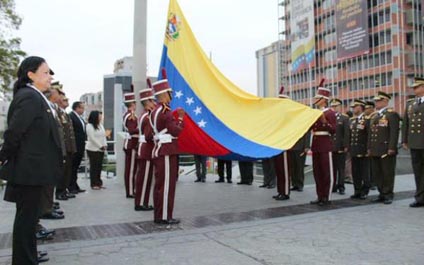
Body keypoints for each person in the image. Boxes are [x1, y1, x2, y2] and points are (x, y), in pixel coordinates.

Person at [0, 56, 62, 264]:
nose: (49, 77)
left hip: (35, 169)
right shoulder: (29, 97)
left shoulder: (36, 97)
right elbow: (14, 132)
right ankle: (24, 260)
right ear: (31, 75)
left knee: (29, 217)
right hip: (29, 170)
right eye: (45, 73)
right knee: (26, 218)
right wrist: (2, 157)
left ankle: (28, 255)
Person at [150, 70, 185, 225]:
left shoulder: (154, 111)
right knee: (166, 186)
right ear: (164, 95)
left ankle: (159, 215)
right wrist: (181, 119)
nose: (171, 96)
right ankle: (164, 216)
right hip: (166, 150)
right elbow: (175, 131)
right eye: (169, 93)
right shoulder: (166, 111)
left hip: (159, 148)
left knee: (159, 184)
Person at [368, 91, 400, 205]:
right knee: (377, 173)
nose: (376, 103)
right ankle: (381, 193)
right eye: (376, 101)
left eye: (379, 101)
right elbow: (371, 133)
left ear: (386, 101)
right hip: (375, 148)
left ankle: (388, 194)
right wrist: (369, 148)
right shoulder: (375, 115)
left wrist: (392, 147)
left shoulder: (391, 114)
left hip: (386, 148)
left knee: (387, 173)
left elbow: (394, 132)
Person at [310, 80, 337, 206]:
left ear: (323, 99)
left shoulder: (330, 113)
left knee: (327, 172)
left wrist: (325, 121)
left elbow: (333, 130)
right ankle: (319, 195)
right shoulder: (315, 112)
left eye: (317, 98)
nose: (315, 100)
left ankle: (327, 196)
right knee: (317, 172)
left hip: (325, 144)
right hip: (316, 145)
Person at [402, 77, 424, 208]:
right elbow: (406, 123)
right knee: (418, 171)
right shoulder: (410, 103)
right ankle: (420, 197)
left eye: (417, 87)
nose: (414, 89)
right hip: (415, 142)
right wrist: (404, 139)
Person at [134, 85, 156, 211]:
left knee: (144, 177)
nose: (154, 103)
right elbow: (148, 136)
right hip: (147, 149)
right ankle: (141, 203)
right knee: (144, 179)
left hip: (143, 148)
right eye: (152, 100)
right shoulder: (148, 117)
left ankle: (142, 201)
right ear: (147, 102)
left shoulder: (144, 114)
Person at [56, 90, 77, 200]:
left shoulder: (65, 114)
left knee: (68, 170)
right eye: (64, 100)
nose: (67, 101)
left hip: (69, 147)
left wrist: (72, 148)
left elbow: (70, 133)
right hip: (62, 148)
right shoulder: (57, 113)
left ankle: (65, 189)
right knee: (62, 171)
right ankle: (60, 191)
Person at [349, 99, 370, 200]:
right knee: (355, 172)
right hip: (354, 150)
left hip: (363, 150)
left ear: (361, 107)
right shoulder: (352, 120)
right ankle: (357, 190)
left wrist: (368, 149)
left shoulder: (367, 119)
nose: (353, 109)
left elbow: (369, 135)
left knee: (364, 172)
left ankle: (364, 191)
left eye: (355, 107)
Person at [330, 98, 350, 195]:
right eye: (332, 106)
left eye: (336, 106)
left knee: (341, 168)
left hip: (340, 147)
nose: (334, 108)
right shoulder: (328, 117)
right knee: (332, 168)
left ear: (340, 107)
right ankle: (333, 186)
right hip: (330, 147)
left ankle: (341, 186)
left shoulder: (344, 118)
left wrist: (346, 145)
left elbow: (346, 133)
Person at [86, 111, 107, 190]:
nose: (101, 117)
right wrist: (100, 146)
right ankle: (94, 183)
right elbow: (92, 138)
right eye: (99, 116)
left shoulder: (100, 125)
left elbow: (103, 136)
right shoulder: (89, 126)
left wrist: (105, 145)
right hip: (93, 149)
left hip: (101, 149)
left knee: (99, 167)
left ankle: (99, 183)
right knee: (94, 166)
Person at [123, 92, 139, 198]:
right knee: (131, 169)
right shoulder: (131, 116)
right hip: (132, 144)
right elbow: (132, 130)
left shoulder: (129, 114)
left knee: (131, 168)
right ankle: (130, 191)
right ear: (132, 104)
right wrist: (142, 128)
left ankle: (131, 189)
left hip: (131, 143)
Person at [69, 101, 87, 194]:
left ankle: (75, 185)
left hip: (80, 145)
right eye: (82, 108)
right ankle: (71, 186)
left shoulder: (80, 118)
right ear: (77, 108)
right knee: (72, 167)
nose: (83, 110)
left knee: (76, 167)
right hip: (75, 146)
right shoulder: (71, 116)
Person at [364, 101, 377, 190]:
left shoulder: (375, 116)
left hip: (373, 144)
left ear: (372, 108)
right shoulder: (365, 117)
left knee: (373, 166)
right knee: (367, 166)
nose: (366, 110)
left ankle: (373, 182)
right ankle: (368, 181)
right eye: (365, 108)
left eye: (368, 108)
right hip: (365, 144)